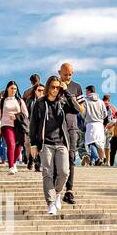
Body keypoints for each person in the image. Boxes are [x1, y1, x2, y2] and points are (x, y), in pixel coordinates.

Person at [28, 75, 73, 216]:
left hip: (61, 143)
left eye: (57, 87)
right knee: (47, 173)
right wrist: (33, 144)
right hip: (45, 143)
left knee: (64, 172)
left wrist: (66, 92)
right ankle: (51, 203)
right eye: (52, 87)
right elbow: (33, 124)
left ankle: (58, 193)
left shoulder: (63, 102)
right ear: (48, 87)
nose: (55, 89)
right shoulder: (40, 103)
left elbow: (76, 109)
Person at [57, 63, 85, 204]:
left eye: (70, 74)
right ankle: (57, 189)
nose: (67, 77)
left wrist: (67, 92)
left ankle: (69, 190)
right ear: (59, 72)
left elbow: (80, 109)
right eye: (65, 74)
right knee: (58, 158)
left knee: (71, 156)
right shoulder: (54, 86)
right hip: (56, 127)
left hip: (72, 126)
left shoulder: (76, 87)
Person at [0, 81, 28, 174]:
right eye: (11, 88)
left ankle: (14, 162)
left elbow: (26, 114)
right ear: (7, 89)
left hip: (18, 126)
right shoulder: (2, 101)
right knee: (11, 144)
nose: (13, 90)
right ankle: (10, 166)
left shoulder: (19, 101)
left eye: (15, 88)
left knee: (19, 146)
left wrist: (17, 116)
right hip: (6, 125)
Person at [83, 86, 108, 165]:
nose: (85, 93)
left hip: (90, 124)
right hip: (100, 124)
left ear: (89, 91)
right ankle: (102, 158)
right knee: (99, 143)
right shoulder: (101, 101)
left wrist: (86, 118)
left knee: (91, 142)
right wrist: (100, 118)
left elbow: (83, 112)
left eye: (86, 91)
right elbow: (105, 114)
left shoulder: (85, 101)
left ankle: (97, 158)